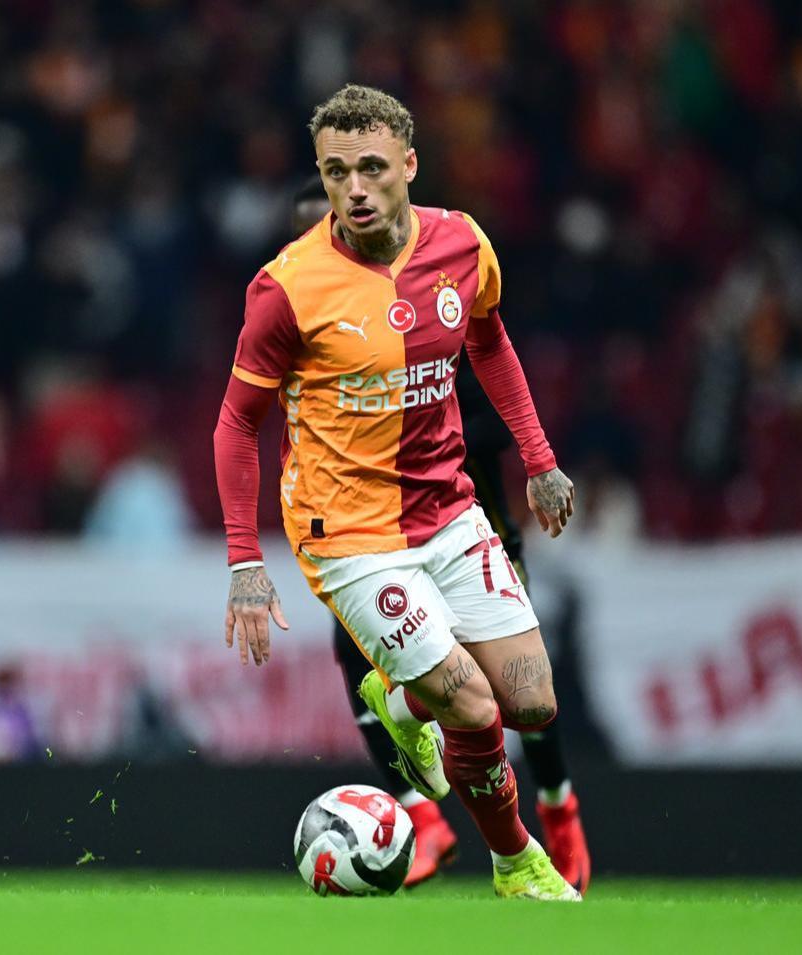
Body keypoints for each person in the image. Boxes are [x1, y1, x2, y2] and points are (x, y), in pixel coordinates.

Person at [215, 84, 580, 901]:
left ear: (409, 166)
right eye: (336, 171)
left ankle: (399, 694)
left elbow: (489, 341)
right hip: (344, 531)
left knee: (531, 703)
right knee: (476, 708)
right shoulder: (287, 288)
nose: (354, 188)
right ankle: (517, 861)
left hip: (448, 508)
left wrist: (540, 459)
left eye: (372, 167)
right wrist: (245, 560)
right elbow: (234, 424)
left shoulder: (462, 245)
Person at [289, 178, 592, 892]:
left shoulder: (429, 291)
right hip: (363, 534)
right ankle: (427, 819)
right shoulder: (305, 301)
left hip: (463, 515)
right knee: (371, 655)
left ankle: (558, 807)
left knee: (522, 692)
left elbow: (487, 397)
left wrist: (535, 461)